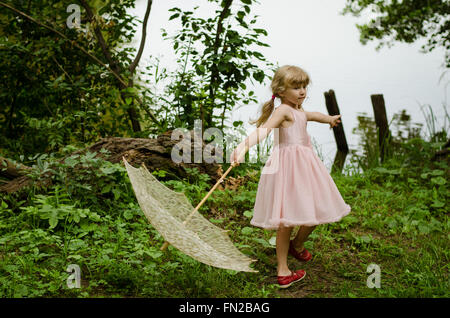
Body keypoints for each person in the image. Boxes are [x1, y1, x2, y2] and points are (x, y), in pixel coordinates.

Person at [230, 65, 351, 288]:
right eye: (296, 87)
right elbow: (264, 130)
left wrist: (330, 119)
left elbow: (313, 116)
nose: (302, 91)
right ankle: (283, 270)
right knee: (285, 220)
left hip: (306, 168)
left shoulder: (298, 111)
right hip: (287, 169)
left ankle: (298, 244)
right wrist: (243, 146)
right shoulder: (283, 111)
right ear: (281, 91)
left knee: (316, 209)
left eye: (304, 86)